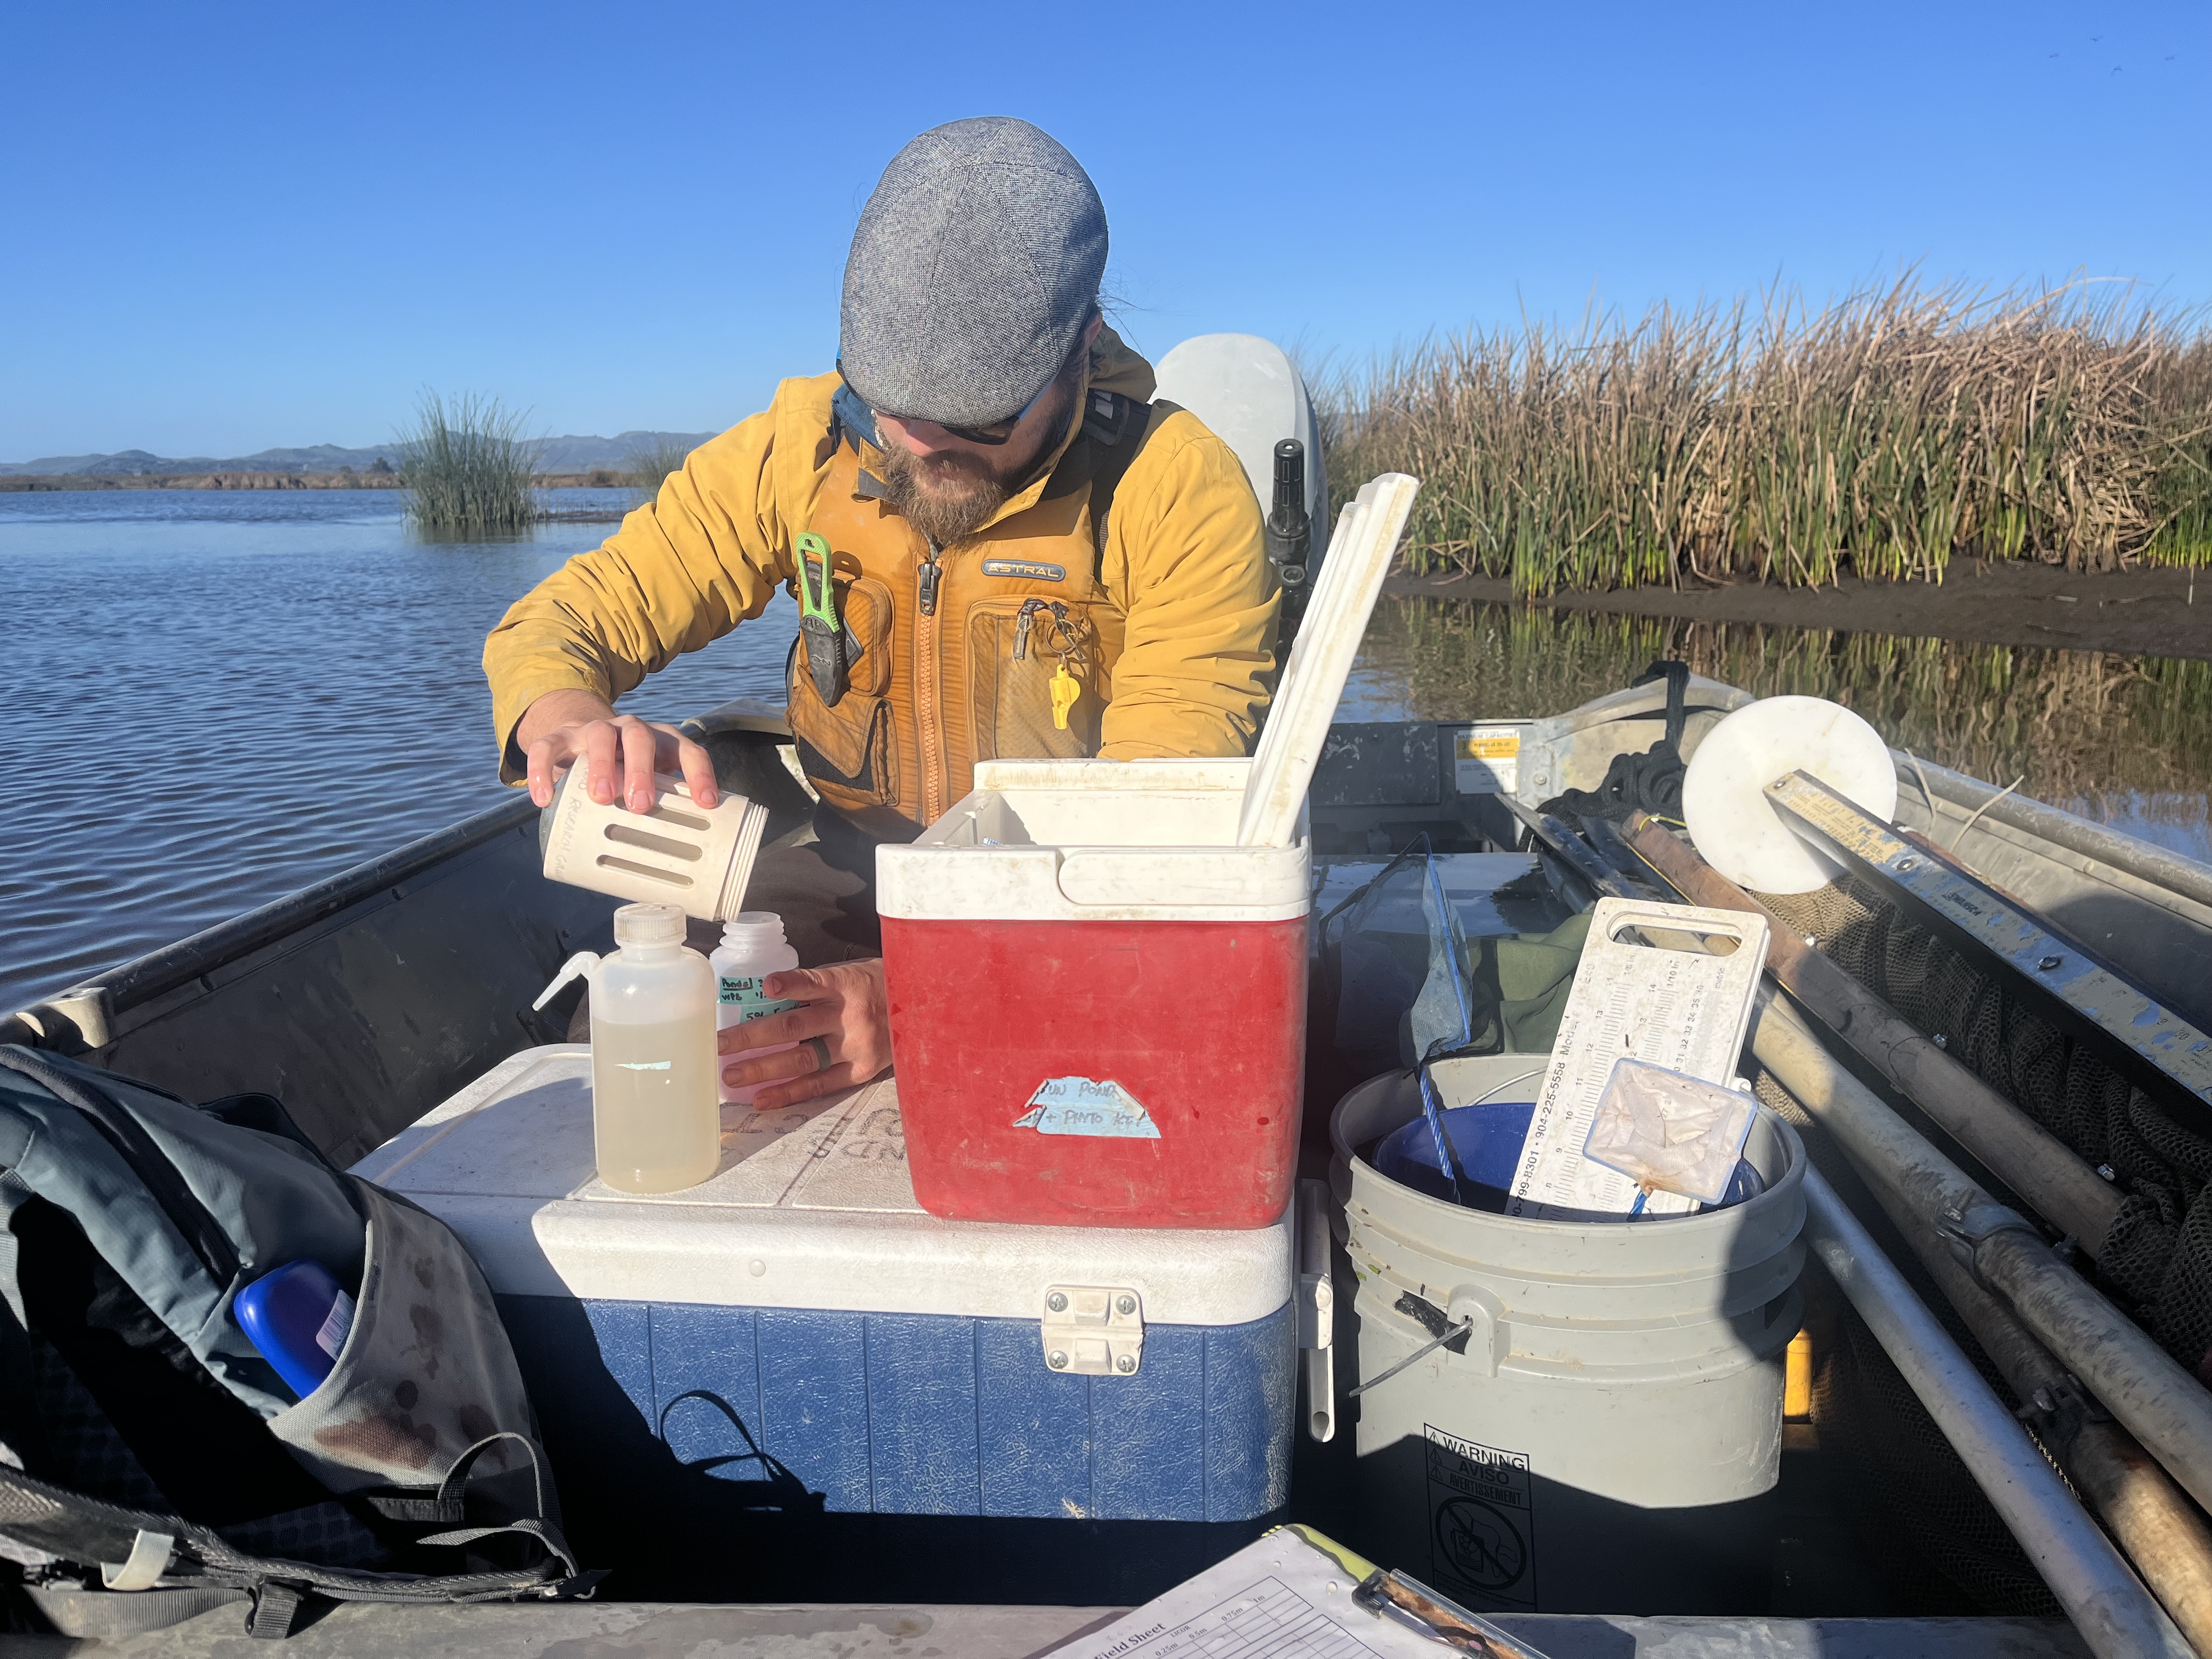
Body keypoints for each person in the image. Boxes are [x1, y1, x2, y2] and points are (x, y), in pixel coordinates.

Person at [483, 117, 1278, 1113]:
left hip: (1069, 909)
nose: (925, 449)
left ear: (1084, 344)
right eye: (893, 409)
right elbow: (565, 617)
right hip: (848, 867)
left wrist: (924, 1004)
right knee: (629, 1045)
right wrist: (565, 718)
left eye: (981, 419)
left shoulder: (1177, 489)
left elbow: (1159, 837)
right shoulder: (803, 443)